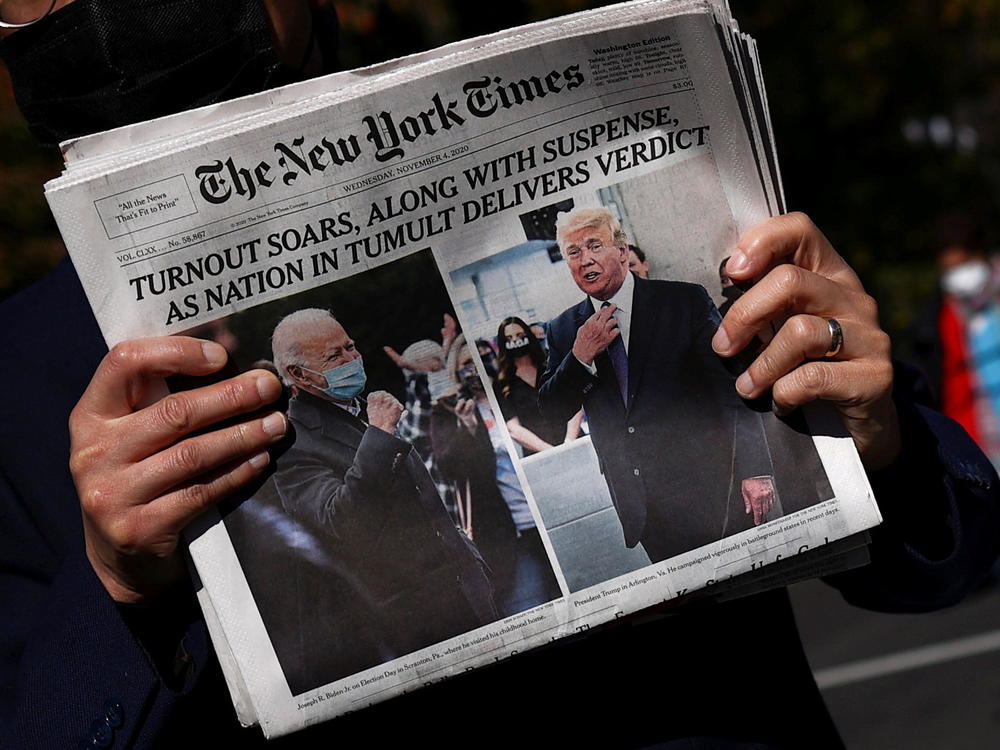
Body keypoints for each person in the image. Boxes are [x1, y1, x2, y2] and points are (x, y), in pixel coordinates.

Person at [2, 2, 1000, 747]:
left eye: (593, 252)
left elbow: (947, 556)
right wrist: (114, 589)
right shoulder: (22, 382)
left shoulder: (654, 198)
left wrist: (881, 439)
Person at [222, 309, 497, 693]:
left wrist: (468, 555)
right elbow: (340, 521)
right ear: (298, 375)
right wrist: (381, 434)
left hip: (468, 592)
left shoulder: (358, 409)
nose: (352, 360)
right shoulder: (292, 444)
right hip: (421, 626)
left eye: (350, 347)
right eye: (334, 357)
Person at [540, 207, 795, 559]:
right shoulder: (563, 330)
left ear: (622, 250)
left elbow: (732, 389)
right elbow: (549, 412)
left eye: (595, 246)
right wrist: (580, 358)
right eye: (574, 252)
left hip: (714, 489)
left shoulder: (683, 301)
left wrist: (755, 470)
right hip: (645, 509)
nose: (585, 260)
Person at [430, 334, 561, 616]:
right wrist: (467, 431)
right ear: (456, 368)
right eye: (467, 363)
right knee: (531, 610)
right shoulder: (448, 409)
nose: (476, 367)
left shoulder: (511, 394)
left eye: (483, 358)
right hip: (507, 535)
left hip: (551, 514)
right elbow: (448, 468)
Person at [495, 315, 582, 456]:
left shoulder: (552, 363)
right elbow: (513, 427)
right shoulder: (502, 382)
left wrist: (570, 441)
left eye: (519, 335)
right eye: (509, 338)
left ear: (528, 335)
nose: (515, 341)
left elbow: (575, 403)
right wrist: (550, 451)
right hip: (539, 454)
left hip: (574, 441)